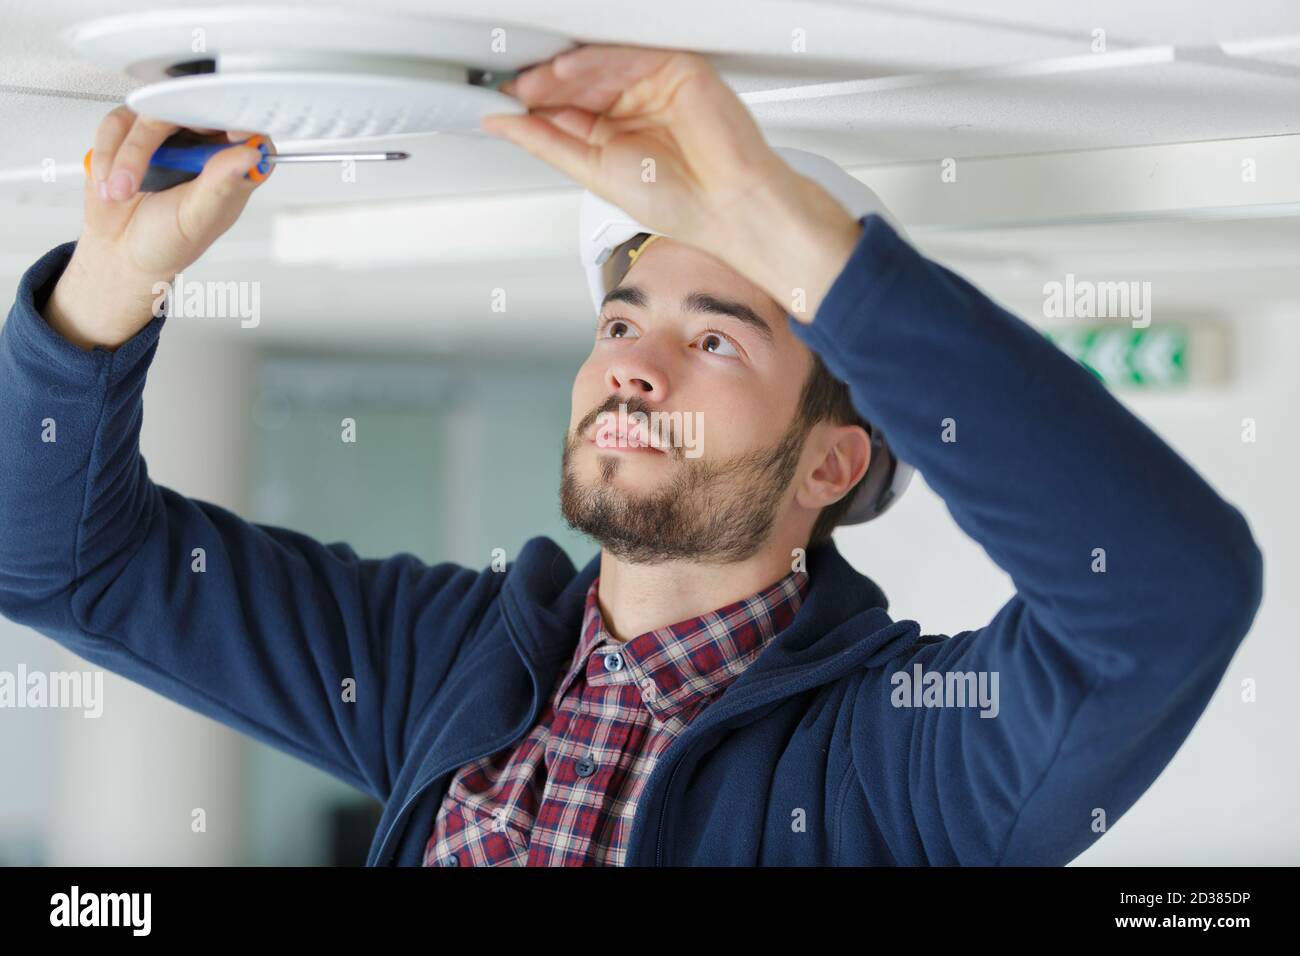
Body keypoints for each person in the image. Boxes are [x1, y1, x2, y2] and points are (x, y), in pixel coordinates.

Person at [0, 45, 1262, 866]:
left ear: (831, 464)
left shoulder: (892, 759)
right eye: (619, 322)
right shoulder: (443, 663)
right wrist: (109, 285)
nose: (632, 367)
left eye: (715, 339)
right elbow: (59, 563)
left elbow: (1164, 598)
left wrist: (793, 235)